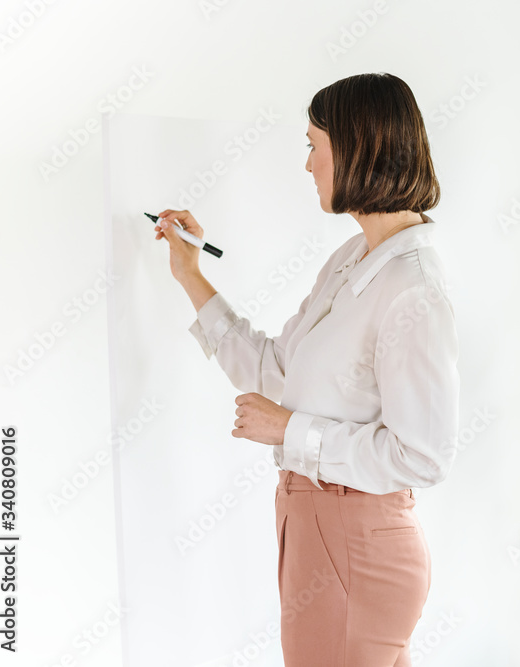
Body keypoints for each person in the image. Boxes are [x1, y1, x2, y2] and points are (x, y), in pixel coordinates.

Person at [154, 72, 460, 667]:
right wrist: (191, 274)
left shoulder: (413, 289)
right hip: (317, 529)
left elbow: (423, 455)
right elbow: (276, 371)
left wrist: (289, 430)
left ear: (357, 148)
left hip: (355, 545)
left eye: (314, 145)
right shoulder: (353, 258)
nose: (308, 165)